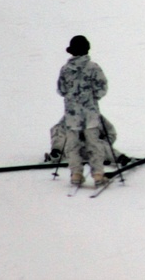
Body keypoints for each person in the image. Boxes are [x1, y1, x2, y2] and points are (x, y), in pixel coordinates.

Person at [56, 35, 110, 186]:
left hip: (72, 115)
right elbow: (102, 87)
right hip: (90, 114)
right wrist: (92, 99)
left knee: (72, 145)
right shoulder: (93, 67)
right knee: (94, 144)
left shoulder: (66, 69)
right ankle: (98, 174)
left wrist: (72, 99)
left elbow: (61, 89)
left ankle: (76, 174)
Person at [45, 114, 129, 167]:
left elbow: (111, 133)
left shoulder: (97, 117)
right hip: (72, 148)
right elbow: (58, 131)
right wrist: (58, 147)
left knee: (98, 144)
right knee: (58, 128)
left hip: (92, 148)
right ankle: (56, 153)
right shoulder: (70, 115)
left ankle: (119, 157)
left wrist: (103, 143)